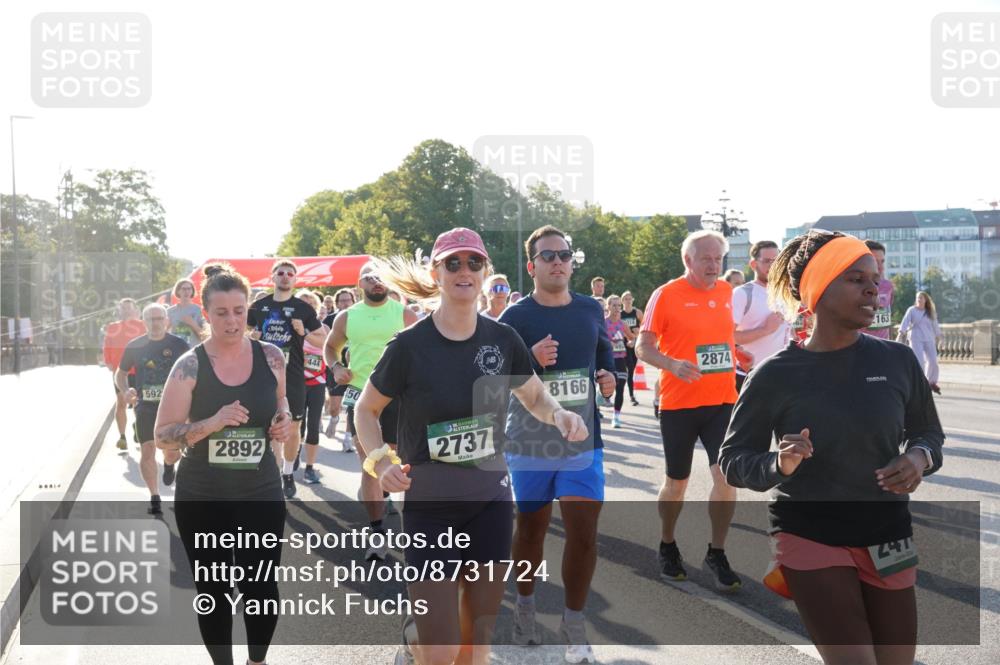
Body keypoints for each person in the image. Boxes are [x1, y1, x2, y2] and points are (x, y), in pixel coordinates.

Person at [355, 227, 588, 665]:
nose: (464, 270)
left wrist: (559, 414)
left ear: (485, 271)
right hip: (429, 507)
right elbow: (366, 410)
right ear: (436, 273)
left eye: (474, 262)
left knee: (475, 645)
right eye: (453, 263)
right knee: (440, 649)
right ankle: (414, 637)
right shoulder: (409, 346)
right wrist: (379, 461)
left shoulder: (503, 339)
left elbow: (534, 396)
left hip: (489, 503)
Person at [719, 230, 944, 665]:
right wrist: (779, 464)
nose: (872, 289)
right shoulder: (774, 374)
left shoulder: (897, 360)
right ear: (818, 291)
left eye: (874, 279)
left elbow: (928, 434)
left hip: (888, 532)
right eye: (855, 279)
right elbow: (733, 460)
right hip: (810, 532)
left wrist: (919, 458)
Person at [155, 263, 292, 665]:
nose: (232, 321)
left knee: (260, 587)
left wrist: (283, 419)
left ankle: (257, 662)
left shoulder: (272, 356)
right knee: (214, 591)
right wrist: (212, 423)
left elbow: (280, 400)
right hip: (203, 495)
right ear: (206, 313)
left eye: (239, 311)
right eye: (221, 312)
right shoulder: (189, 365)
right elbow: (163, 435)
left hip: (260, 490)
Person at [499, 224, 616, 663]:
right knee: (532, 528)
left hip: (582, 441)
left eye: (564, 255)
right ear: (532, 266)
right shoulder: (514, 318)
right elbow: (493, 378)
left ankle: (574, 623)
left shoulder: (589, 309)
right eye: (547, 256)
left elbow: (602, 352)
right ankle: (526, 605)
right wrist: (530, 359)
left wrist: (607, 376)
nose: (557, 262)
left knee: (584, 534)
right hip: (529, 442)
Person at [636, 230, 745, 591]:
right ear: (688, 260)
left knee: (726, 477)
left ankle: (717, 551)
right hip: (679, 404)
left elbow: (724, 337)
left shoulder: (727, 293)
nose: (714, 265)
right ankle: (667, 543)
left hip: (722, 401)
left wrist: (740, 351)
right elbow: (642, 347)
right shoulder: (666, 295)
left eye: (718, 259)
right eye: (706, 258)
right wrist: (672, 364)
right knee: (676, 483)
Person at [324, 263, 418, 560]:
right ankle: (377, 534)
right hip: (360, 397)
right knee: (372, 463)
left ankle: (411, 525)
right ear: (359, 283)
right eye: (369, 277)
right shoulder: (347, 316)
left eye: (380, 277)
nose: (376, 281)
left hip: (398, 398)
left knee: (399, 462)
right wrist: (336, 367)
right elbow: (330, 347)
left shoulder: (405, 315)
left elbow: (424, 353)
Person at [247, 260, 327, 499]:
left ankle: (288, 473)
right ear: (272, 277)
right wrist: (250, 337)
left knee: (293, 428)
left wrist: (304, 332)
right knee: (265, 426)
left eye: (290, 274)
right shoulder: (258, 306)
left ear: (295, 279)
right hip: (260, 376)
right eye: (280, 273)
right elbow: (238, 334)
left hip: (292, 377)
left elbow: (322, 341)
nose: (285, 276)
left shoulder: (303, 309)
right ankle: (270, 472)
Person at [116, 303, 189, 513]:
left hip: (173, 407)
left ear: (166, 320)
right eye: (150, 319)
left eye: (159, 319)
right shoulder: (135, 345)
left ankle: (169, 464)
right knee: (147, 449)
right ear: (144, 322)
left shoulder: (179, 345)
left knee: (171, 452)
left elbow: (195, 371)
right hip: (145, 406)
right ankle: (154, 497)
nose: (155, 323)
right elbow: (120, 374)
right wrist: (126, 390)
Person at [732, 240, 790, 392]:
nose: (772, 266)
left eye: (776, 261)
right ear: (753, 264)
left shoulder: (785, 293)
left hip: (782, 373)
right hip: (750, 375)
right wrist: (765, 330)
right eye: (766, 261)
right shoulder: (742, 293)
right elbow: (729, 336)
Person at [296, 290, 331, 483]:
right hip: (296, 382)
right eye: (302, 303)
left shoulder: (323, 328)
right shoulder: (289, 327)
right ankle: (293, 458)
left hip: (317, 382)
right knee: (297, 425)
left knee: (313, 425)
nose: (306, 307)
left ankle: (309, 468)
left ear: (316, 308)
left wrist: (306, 333)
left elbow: (327, 347)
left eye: (310, 304)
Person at [103, 298, 147, 450]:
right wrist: (108, 361)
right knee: (121, 402)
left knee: (138, 402)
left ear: (135, 309)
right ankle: (122, 437)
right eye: (123, 308)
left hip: (139, 370)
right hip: (120, 371)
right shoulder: (112, 327)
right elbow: (107, 345)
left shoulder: (143, 325)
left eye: (129, 308)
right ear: (119, 311)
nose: (126, 311)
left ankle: (138, 428)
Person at [323, 287, 357, 446]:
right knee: (334, 406)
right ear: (336, 303)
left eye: (348, 300)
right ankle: (334, 418)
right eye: (342, 301)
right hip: (336, 365)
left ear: (353, 301)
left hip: (355, 366)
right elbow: (325, 343)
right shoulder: (330, 320)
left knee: (352, 405)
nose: (345, 303)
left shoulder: (360, 317)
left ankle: (348, 437)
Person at [898, 291, 942, 395]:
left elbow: (935, 325)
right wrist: (900, 333)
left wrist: (940, 337)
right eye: (917, 298)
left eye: (921, 298)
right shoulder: (912, 310)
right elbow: (905, 321)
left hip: (929, 339)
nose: (919, 299)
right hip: (915, 338)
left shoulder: (930, 311)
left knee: (933, 361)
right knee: (919, 362)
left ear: (925, 300)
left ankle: (931, 382)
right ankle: (919, 383)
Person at [605, 294, 634, 428]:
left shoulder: (623, 324)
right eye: (614, 305)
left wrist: (631, 342)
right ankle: (601, 396)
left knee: (620, 387)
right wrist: (607, 343)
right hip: (606, 360)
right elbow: (596, 340)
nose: (617, 308)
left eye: (619, 305)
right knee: (607, 388)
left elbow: (632, 338)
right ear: (608, 306)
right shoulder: (603, 323)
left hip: (620, 359)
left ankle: (616, 416)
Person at [862, 240, 894, 339]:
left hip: (883, 344)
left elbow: (888, 318)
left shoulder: (888, 286)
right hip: (861, 344)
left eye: (882, 261)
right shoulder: (852, 287)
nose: (881, 267)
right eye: (875, 261)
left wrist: (891, 343)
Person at [620, 291, 644, 406]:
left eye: (630, 299)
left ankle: (629, 393)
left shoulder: (637, 313)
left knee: (632, 370)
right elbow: (617, 328)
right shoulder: (620, 314)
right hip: (624, 345)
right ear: (622, 301)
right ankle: (631, 396)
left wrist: (638, 333)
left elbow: (645, 326)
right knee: (628, 369)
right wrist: (628, 337)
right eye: (626, 299)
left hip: (635, 344)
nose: (628, 301)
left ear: (632, 300)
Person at [167, 278, 207, 347]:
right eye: (183, 289)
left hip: (194, 349)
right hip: (176, 349)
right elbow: (163, 333)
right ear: (178, 291)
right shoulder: (170, 311)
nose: (186, 291)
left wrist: (192, 323)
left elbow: (205, 336)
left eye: (189, 289)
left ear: (192, 291)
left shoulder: (198, 310)